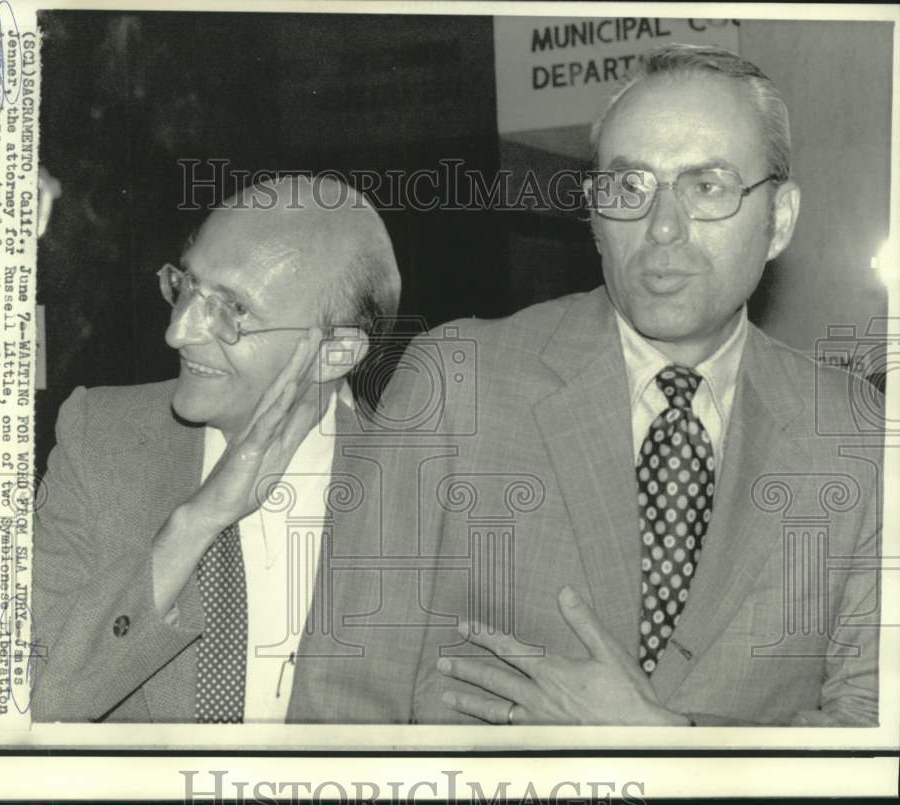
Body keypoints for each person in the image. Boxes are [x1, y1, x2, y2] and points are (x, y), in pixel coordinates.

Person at [289, 44, 882, 726]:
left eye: (707, 187)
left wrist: (671, 747)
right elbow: (338, 708)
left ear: (779, 219)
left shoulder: (857, 435)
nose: (662, 228)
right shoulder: (454, 386)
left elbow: (868, 729)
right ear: (594, 215)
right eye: (629, 188)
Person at [31, 175, 402, 722]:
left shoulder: (415, 488)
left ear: (336, 351)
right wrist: (195, 523)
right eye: (185, 288)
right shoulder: (99, 440)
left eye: (233, 310)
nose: (178, 333)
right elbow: (26, 695)